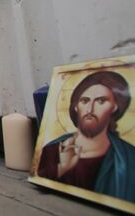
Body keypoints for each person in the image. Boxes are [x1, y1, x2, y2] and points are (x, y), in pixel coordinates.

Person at [37, 71, 135, 202]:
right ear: (76, 106)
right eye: (84, 100)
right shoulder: (51, 151)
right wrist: (62, 168)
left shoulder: (129, 157)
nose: (90, 109)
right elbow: (40, 180)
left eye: (101, 101)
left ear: (115, 107)